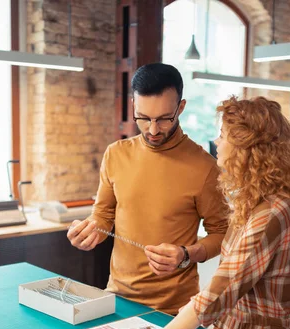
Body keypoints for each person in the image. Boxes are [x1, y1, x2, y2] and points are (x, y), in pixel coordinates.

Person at [107, 96, 290, 329]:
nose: (217, 142)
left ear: (247, 148)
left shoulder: (274, 212)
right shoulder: (254, 200)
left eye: (223, 135)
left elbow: (222, 288)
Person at [67, 63, 229, 315]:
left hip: (175, 310)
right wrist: (89, 233)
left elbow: (222, 234)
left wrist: (186, 254)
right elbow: (103, 216)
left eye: (164, 118)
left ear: (181, 108)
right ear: (133, 105)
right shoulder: (115, 154)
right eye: (143, 118)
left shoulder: (205, 167)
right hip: (116, 299)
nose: (153, 129)